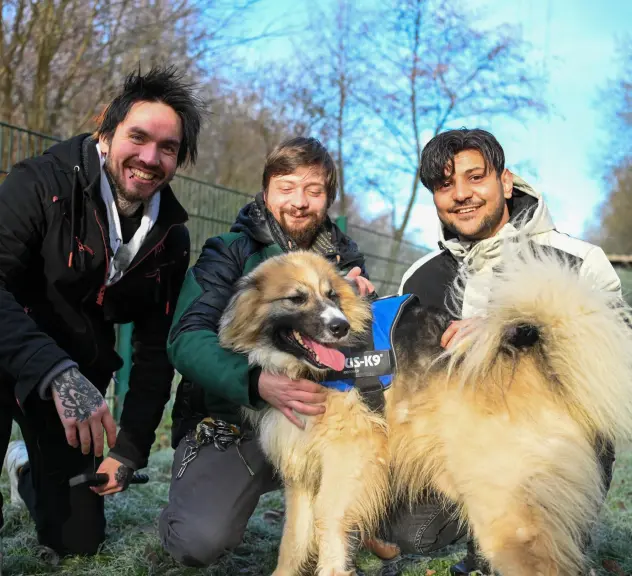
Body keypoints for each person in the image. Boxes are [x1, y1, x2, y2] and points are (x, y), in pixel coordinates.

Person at [381, 127, 620, 575]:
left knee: (531, 544)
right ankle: (485, 537)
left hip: (550, 434)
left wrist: (509, 326)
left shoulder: (576, 258)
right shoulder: (420, 278)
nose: (461, 194)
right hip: (456, 445)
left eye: (476, 178)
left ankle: (542, 532)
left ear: (505, 182)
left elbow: (616, 352)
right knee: (406, 530)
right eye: (445, 184)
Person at [0, 66, 204, 557]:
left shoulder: (171, 238)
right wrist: (54, 370)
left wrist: (130, 448)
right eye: (138, 137)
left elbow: (157, 352)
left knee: (78, 541)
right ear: (106, 133)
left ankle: (25, 465)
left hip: (73, 383)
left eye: (168, 148)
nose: (149, 158)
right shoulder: (39, 182)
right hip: (12, 351)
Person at [158, 136, 375, 567]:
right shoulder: (228, 252)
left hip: (321, 419)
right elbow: (186, 337)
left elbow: (357, 344)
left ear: (327, 199)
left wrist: (365, 299)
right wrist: (254, 382)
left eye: (313, 191)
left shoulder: (346, 259)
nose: (300, 202)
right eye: (287, 187)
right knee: (198, 540)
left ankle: (350, 533)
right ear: (266, 191)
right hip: (233, 421)